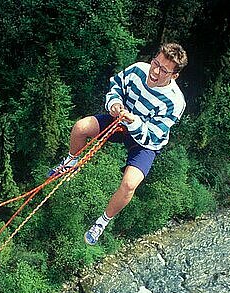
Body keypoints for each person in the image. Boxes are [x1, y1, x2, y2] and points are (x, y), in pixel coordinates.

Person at [48, 43, 188, 245]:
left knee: (130, 184)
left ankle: (101, 223)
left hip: (144, 140)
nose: (155, 71)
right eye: (155, 63)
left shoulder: (174, 103)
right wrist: (113, 104)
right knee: (80, 127)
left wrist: (134, 122)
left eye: (163, 70)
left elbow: (153, 135)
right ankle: (70, 163)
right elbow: (116, 87)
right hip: (120, 120)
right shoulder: (138, 70)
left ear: (174, 76)